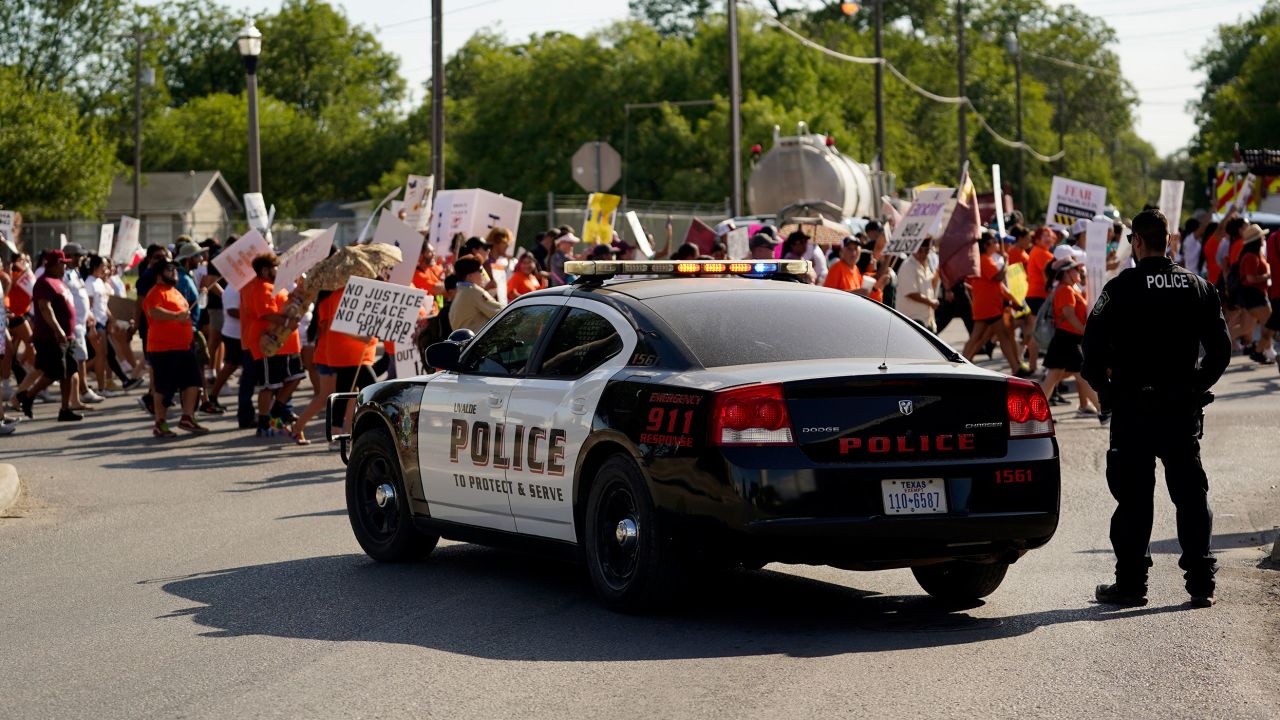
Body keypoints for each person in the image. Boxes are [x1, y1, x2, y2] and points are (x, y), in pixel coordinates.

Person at [1085, 209, 1231, 609]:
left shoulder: (1120, 288)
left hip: (1133, 410)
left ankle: (1131, 586)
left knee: (1134, 499)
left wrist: (1107, 391)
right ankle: (1200, 583)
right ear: (1169, 241)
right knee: (1190, 494)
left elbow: (1091, 353)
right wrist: (1196, 386)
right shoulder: (1196, 286)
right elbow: (1221, 351)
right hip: (1180, 409)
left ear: (1136, 241)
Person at [141, 261, 208, 437]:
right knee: (163, 388)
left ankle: (187, 417)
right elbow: (154, 312)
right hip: (163, 348)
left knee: (193, 383)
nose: (175, 273)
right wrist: (175, 316)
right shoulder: (155, 292)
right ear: (158, 274)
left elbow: (187, 313)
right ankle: (160, 423)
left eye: (175, 270)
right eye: (170, 270)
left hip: (183, 347)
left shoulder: (176, 292)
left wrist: (201, 296)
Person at [241, 254, 305, 437]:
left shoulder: (275, 286)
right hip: (269, 344)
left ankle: (276, 411)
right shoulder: (260, 288)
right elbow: (267, 314)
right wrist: (287, 322)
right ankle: (263, 422)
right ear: (264, 270)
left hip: (286, 343)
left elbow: (285, 309)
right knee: (270, 385)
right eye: (275, 267)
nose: (278, 270)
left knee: (296, 376)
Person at [14, 250, 80, 421]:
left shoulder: (59, 281)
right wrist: (58, 330)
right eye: (63, 263)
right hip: (51, 337)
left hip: (68, 336)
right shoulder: (43, 283)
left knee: (68, 372)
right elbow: (45, 308)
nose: (65, 266)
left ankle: (65, 409)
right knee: (55, 371)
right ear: (55, 264)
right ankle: (27, 396)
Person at [1040, 258, 1101, 417]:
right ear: (1066, 272)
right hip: (1066, 339)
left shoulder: (1070, 289)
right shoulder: (1065, 290)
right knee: (1081, 376)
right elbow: (1070, 317)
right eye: (1075, 269)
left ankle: (1036, 415)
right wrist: (1088, 332)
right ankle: (1104, 411)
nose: (1079, 271)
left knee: (1053, 378)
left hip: (1068, 339)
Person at [962, 233, 1027, 376]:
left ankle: (1015, 367)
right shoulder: (985, 260)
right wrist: (1005, 262)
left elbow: (998, 287)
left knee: (988, 337)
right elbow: (998, 277)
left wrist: (1015, 302)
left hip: (989, 306)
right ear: (986, 245)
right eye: (994, 242)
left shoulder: (986, 259)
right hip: (987, 307)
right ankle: (962, 363)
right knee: (980, 337)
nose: (997, 244)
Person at [1230, 225, 1272, 364]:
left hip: (1252, 297)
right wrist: (1268, 276)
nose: (1263, 238)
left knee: (1246, 327)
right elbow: (1251, 278)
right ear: (1256, 240)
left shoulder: (1252, 255)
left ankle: (1264, 351)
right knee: (1270, 326)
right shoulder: (1251, 256)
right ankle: (1262, 351)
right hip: (1256, 296)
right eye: (1261, 236)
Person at [449, 255, 504, 333]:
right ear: (469, 276)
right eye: (480, 270)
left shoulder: (461, 293)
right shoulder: (472, 290)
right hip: (481, 342)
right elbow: (500, 312)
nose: (483, 274)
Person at [897, 238, 940, 332]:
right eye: (920, 250)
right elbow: (910, 292)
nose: (923, 254)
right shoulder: (907, 266)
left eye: (926, 250)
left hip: (926, 319)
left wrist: (938, 274)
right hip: (911, 319)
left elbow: (930, 287)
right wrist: (931, 302)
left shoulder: (927, 265)